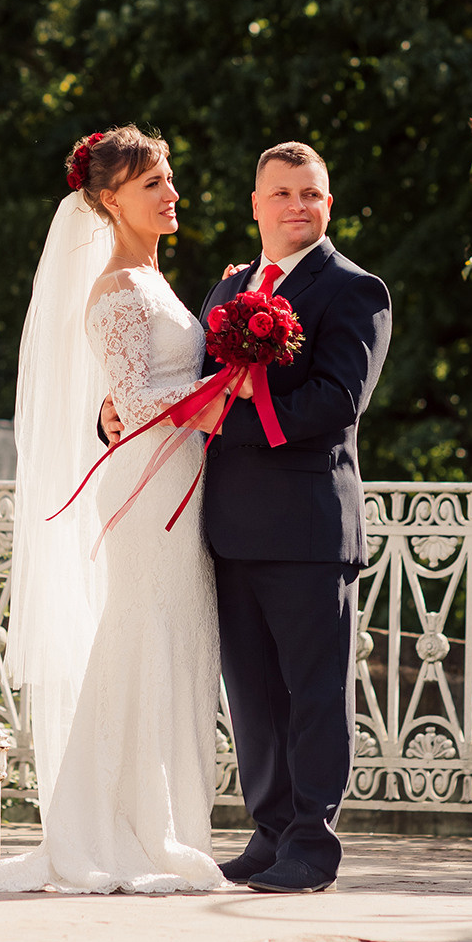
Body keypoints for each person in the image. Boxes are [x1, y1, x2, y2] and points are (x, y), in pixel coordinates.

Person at [103, 142, 392, 894]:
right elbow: (178, 385)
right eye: (284, 193)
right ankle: (268, 832)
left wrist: (216, 422)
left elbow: (335, 401)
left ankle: (311, 843)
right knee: (254, 694)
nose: (299, 205)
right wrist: (111, 418)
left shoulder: (356, 290)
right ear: (256, 204)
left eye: (313, 194)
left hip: (307, 529)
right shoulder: (228, 289)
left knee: (313, 689)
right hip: (226, 526)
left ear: (328, 204)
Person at [0, 126, 234, 894]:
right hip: (148, 486)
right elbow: (139, 399)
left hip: (176, 476)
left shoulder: (155, 281)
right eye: (153, 184)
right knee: (140, 639)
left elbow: (142, 386)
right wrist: (227, 388)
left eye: (171, 178)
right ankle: (109, 826)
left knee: (167, 641)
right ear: (110, 200)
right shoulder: (115, 289)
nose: (172, 193)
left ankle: (157, 817)